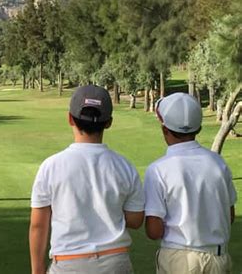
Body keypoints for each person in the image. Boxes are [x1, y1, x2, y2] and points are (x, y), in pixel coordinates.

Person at [29, 85, 144, 274]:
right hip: (115, 262)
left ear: (70, 119)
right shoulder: (125, 166)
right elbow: (135, 220)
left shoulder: (51, 166)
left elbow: (38, 225)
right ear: (108, 122)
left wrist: (37, 271)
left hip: (69, 263)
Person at [144, 92, 237, 273]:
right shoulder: (218, 163)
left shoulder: (158, 169)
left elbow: (154, 230)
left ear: (164, 129)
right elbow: (229, 215)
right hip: (218, 258)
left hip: (180, 259)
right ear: (199, 128)